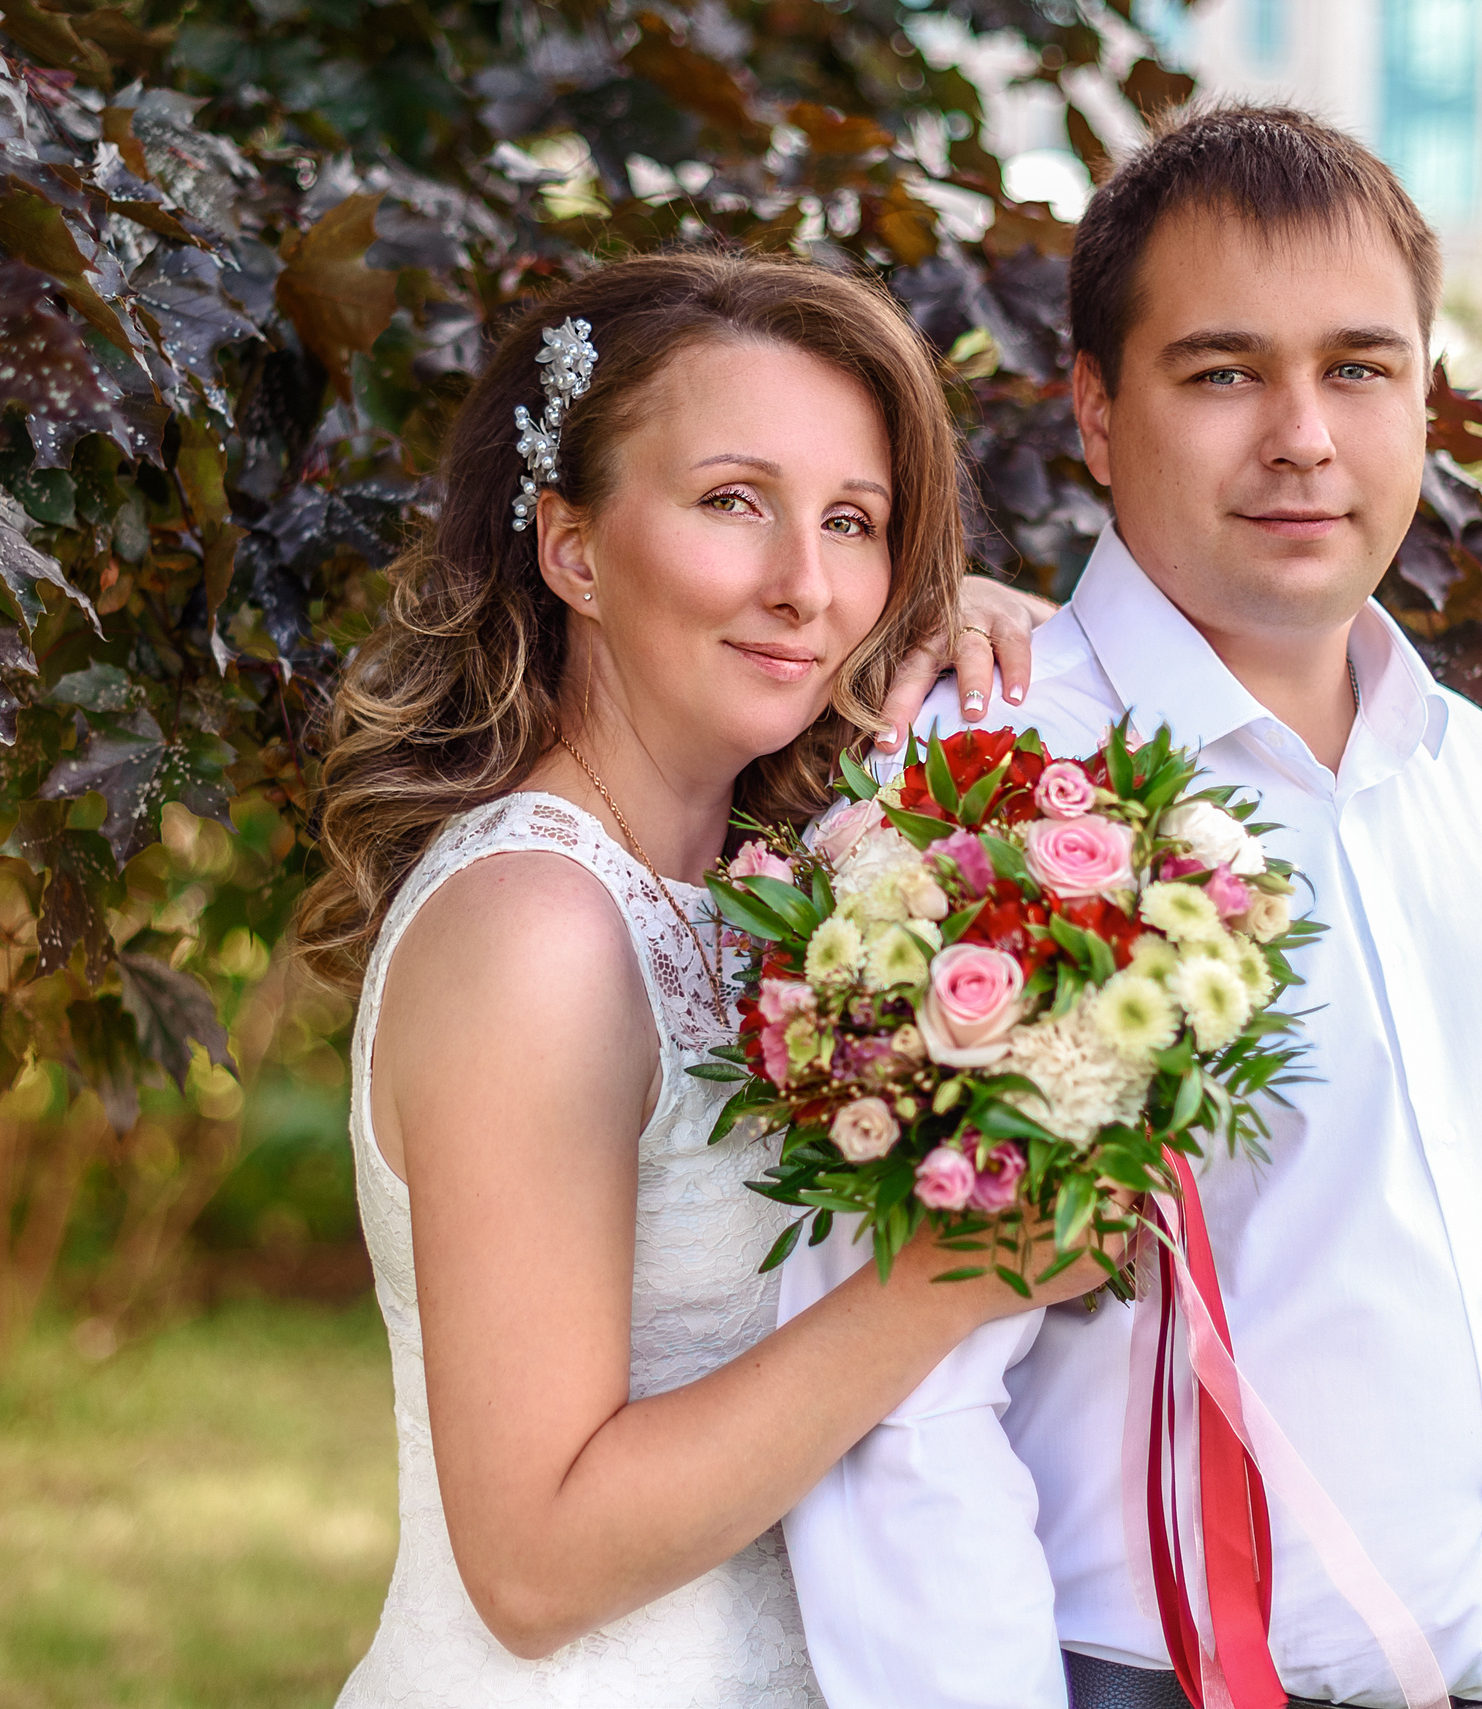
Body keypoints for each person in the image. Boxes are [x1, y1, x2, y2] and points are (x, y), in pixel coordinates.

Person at [778, 105, 1482, 1709]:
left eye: (1361, 367)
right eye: (1222, 373)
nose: (1304, 435)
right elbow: (898, 1402)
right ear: (1097, 410)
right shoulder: (982, 784)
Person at [292, 247, 1094, 1709]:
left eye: (852, 522)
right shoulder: (536, 927)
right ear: (573, 549)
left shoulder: (775, 896)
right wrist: (954, 1277)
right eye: (734, 501)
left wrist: (992, 636)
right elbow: (533, 1565)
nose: (805, 586)